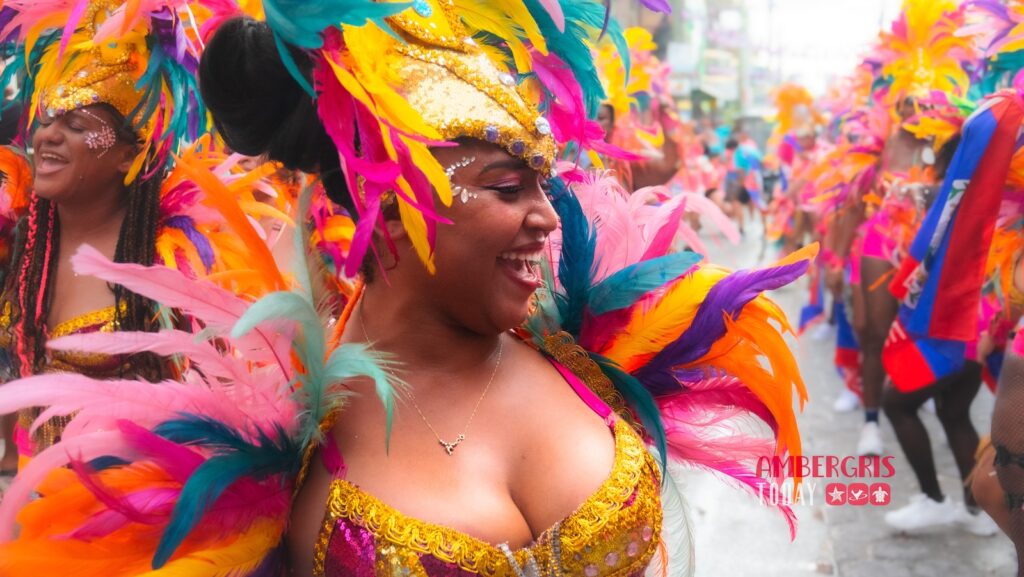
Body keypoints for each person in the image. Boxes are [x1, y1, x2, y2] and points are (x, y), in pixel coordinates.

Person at [0, 0, 811, 574]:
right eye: (506, 188)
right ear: (395, 213)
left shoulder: (577, 349)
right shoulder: (287, 450)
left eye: (541, 183)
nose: (545, 216)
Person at [0, 0, 213, 465]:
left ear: (127, 156)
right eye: (47, 118)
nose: (47, 136)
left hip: (130, 523)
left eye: (75, 125)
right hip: (30, 515)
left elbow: (219, 423)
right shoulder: (28, 242)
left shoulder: (168, 266)